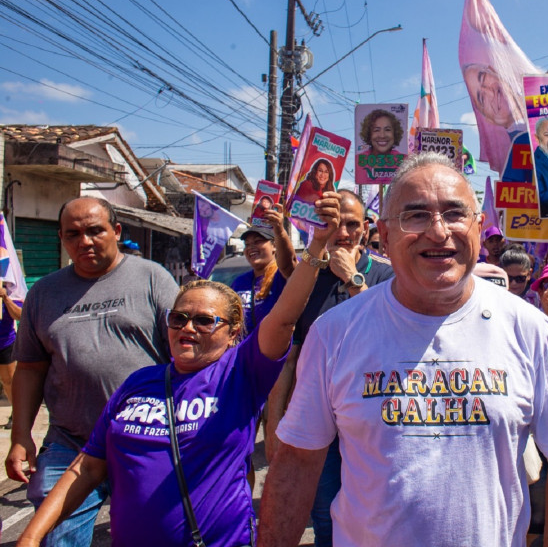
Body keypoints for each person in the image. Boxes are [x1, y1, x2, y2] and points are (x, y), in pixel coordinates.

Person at [258, 153, 548, 547]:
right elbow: (297, 463)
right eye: (416, 216)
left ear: (478, 226)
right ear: (384, 237)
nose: (438, 232)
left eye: (455, 213)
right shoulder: (335, 332)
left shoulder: (531, 329)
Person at [16, 194, 342, 547]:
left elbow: (284, 316)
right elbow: (87, 466)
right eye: (179, 318)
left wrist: (317, 246)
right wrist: (32, 537)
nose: (188, 328)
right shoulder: (138, 383)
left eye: (204, 321)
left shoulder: (241, 374)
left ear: (233, 332)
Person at [7, 197, 180, 546]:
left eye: (94, 231)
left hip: (145, 440)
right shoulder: (43, 293)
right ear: (61, 238)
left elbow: (187, 354)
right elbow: (29, 368)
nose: (84, 241)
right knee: (58, 538)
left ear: (116, 231)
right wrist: (20, 434)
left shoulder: (152, 278)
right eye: (73, 234)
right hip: (70, 442)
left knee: (152, 536)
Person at [264, 189, 394, 547]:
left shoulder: (388, 275)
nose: (343, 233)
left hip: (372, 423)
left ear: (367, 229)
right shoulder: (309, 277)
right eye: (333, 224)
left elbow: (389, 338)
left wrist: (352, 278)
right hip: (317, 422)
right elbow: (291, 353)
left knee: (373, 516)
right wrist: (275, 423)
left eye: (352, 224)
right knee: (325, 521)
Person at [231, 208, 296, 336]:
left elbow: (291, 263)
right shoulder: (239, 282)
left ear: (274, 246)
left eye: (257, 241)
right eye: (247, 244)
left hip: (276, 351)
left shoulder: (283, 275)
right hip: (245, 351)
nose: (251, 247)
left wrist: (280, 231)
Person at [0, 282, 23, 429]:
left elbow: (19, 315)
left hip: (4, 344)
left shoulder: (10, 294)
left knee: (8, 381)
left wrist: (5, 298)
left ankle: (17, 414)